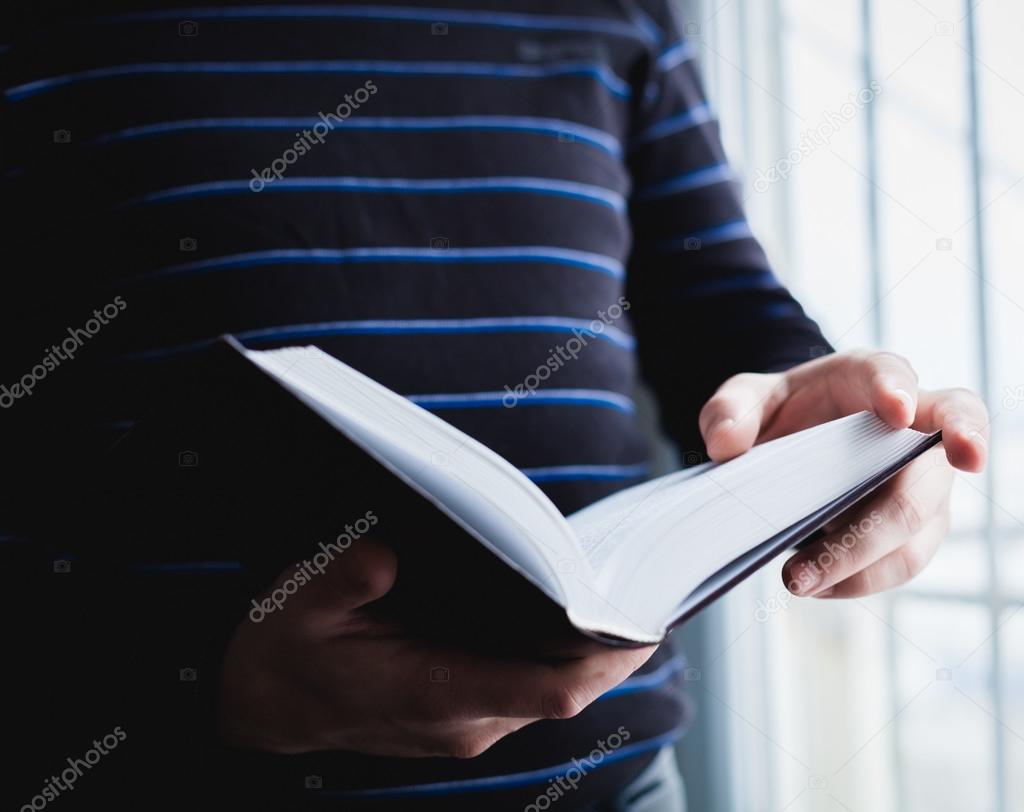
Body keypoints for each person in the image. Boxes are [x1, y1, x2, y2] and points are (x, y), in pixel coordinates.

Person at [1, 2, 987, 810]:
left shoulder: (618, 12)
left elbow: (725, 309)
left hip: (616, 783)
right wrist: (184, 687)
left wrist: (853, 433)